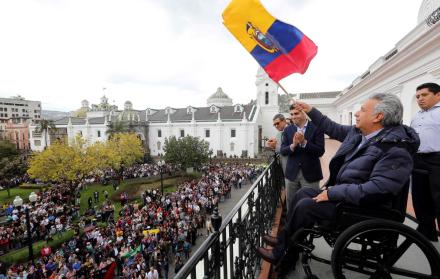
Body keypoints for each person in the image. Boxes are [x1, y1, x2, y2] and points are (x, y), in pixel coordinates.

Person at [257, 93, 419, 274]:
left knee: (305, 205)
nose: (356, 113)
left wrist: (333, 192)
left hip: (365, 209)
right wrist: (309, 109)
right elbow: (330, 127)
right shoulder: (360, 134)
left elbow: (379, 189)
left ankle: (282, 251)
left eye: (363, 110)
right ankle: (284, 243)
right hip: (348, 198)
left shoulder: (395, 148)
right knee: (303, 195)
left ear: (378, 117)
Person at [280, 105, 325, 212]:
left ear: (304, 114)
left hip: (311, 173)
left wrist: (304, 142)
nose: (293, 117)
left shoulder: (316, 128)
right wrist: (293, 145)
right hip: (291, 174)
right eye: (291, 114)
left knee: (311, 203)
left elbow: (320, 151)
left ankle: (308, 227)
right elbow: (283, 150)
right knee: (291, 203)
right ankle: (292, 225)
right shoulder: (288, 130)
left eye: (296, 113)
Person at [410, 82, 440, 241]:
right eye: (417, 96)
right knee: (420, 197)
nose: (420, 99)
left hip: (437, 160)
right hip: (418, 159)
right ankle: (427, 232)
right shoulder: (416, 116)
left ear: (438, 95)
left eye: (424, 95)